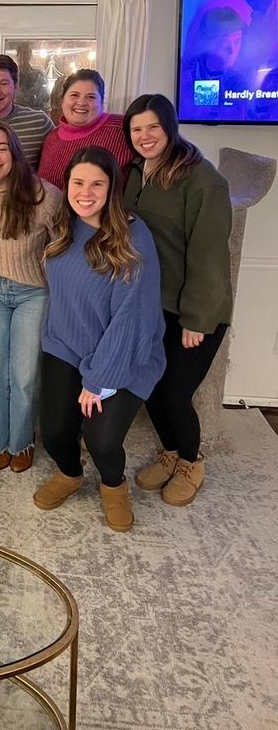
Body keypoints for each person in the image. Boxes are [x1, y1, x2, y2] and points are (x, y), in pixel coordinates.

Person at [33, 147, 165, 532]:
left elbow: (132, 319)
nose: (85, 192)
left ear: (112, 189)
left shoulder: (133, 236)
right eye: (78, 183)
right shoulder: (65, 226)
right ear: (67, 185)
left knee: (102, 440)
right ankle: (71, 474)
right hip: (66, 345)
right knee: (55, 433)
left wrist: (98, 380)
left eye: (97, 184)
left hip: (124, 354)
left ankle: (113, 485)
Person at [123, 95, 232, 506]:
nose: (145, 136)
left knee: (173, 392)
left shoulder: (202, 179)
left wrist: (196, 320)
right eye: (136, 129)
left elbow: (209, 256)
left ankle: (191, 460)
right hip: (150, 305)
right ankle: (169, 453)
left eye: (153, 127)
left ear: (169, 126)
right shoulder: (134, 172)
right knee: (149, 386)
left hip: (193, 311)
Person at [0, 121, 61, 472]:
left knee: (23, 376)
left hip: (33, 292)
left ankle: (22, 442)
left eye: (1, 147)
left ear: (15, 153)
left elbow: (65, 243)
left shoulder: (43, 195)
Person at [37, 69, 133, 189]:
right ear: (62, 101)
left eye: (91, 97)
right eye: (74, 95)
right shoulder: (51, 139)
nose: (81, 102)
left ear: (102, 102)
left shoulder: (122, 128)